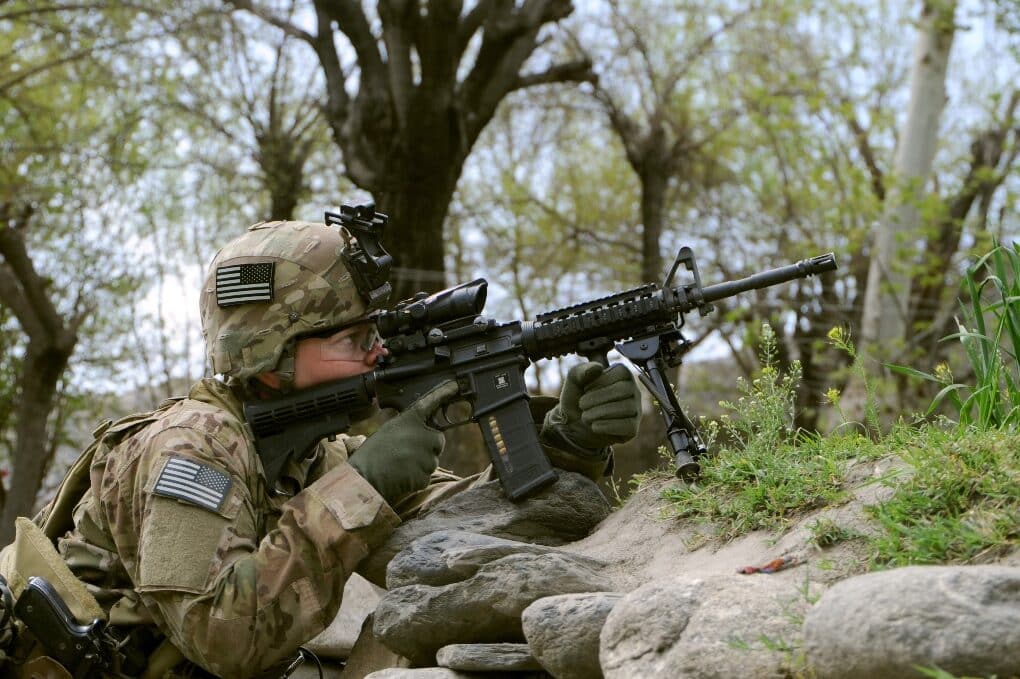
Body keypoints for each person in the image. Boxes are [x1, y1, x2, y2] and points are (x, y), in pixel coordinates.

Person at [0, 217, 640, 678]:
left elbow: (464, 528)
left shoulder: (306, 452)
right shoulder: (190, 447)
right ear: (272, 354)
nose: (378, 351)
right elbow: (223, 638)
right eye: (353, 338)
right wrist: (363, 489)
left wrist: (567, 444)